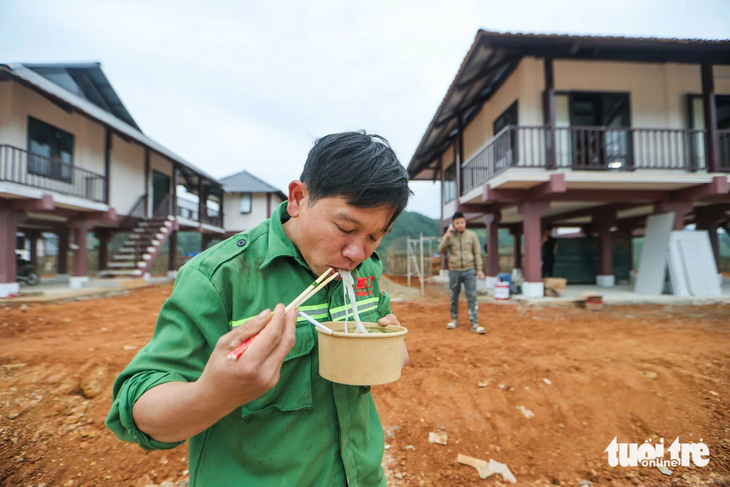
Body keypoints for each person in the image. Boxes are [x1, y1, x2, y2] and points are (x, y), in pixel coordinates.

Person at [106, 131, 412, 486]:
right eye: (345, 227)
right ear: (298, 198)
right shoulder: (218, 278)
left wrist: (389, 350)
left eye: (375, 237)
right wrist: (213, 394)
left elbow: (383, 343)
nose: (357, 253)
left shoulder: (366, 271)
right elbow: (139, 409)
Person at [438, 211, 486, 334]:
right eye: (457, 223)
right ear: (453, 224)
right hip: (454, 270)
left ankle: (474, 322)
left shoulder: (472, 235)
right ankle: (454, 320)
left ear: (465, 222)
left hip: (470, 270)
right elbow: (441, 250)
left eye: (462, 222)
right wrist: (447, 237)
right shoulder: (449, 236)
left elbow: (477, 253)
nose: (460, 225)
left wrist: (479, 269)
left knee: (472, 296)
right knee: (454, 296)